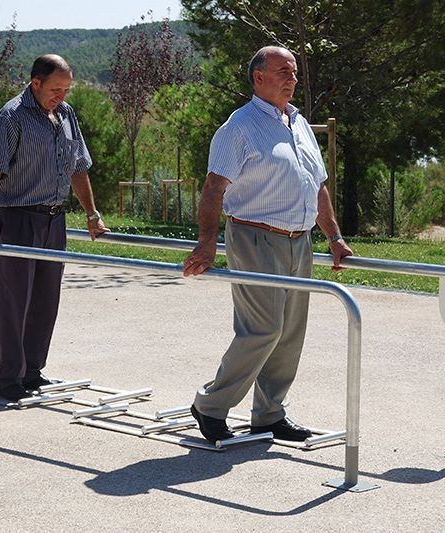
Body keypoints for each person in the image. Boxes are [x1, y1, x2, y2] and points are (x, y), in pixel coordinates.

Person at [182, 46, 352, 444]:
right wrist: (207, 243)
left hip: (299, 240)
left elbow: (318, 186)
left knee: (290, 332)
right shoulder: (238, 127)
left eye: (294, 72)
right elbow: (213, 188)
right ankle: (210, 405)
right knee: (262, 329)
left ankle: (269, 414)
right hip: (255, 237)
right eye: (282, 72)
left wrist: (335, 237)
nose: (292, 79)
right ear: (259, 77)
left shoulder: (300, 124)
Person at [0, 54, 108, 402]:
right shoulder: (11, 117)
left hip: (55, 219)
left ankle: (32, 371)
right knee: (14, 301)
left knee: (45, 299)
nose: (62, 96)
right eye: (56, 89)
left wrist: (91, 213)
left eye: (67, 89)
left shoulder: (66, 115)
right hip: (19, 218)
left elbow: (78, 168)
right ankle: (9, 376)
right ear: (35, 83)